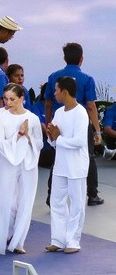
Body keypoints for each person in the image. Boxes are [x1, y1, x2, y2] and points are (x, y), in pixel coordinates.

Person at [43, 42, 104, 207]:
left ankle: (51, 195)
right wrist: (97, 131)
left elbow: (48, 102)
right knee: (88, 157)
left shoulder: (54, 76)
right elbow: (91, 106)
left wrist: (49, 124)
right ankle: (92, 194)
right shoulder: (87, 79)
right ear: (81, 58)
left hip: (59, 121)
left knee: (58, 158)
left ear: (64, 58)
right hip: (79, 122)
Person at [0, 83, 42, 255]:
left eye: (12, 99)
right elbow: (0, 142)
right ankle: (3, 235)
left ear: (21, 98)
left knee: (25, 202)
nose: (8, 102)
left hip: (28, 163)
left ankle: (18, 241)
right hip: (8, 162)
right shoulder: (1, 117)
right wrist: (18, 135)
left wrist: (26, 135)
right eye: (6, 98)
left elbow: (39, 143)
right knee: (5, 201)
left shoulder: (32, 118)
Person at [45, 76, 89, 254]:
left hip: (77, 166)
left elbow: (79, 141)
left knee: (77, 204)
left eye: (56, 90)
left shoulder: (81, 113)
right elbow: (54, 142)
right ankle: (58, 239)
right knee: (56, 202)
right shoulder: (59, 113)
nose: (54, 93)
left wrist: (58, 138)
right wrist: (51, 137)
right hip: (60, 165)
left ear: (65, 92)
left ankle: (73, 241)